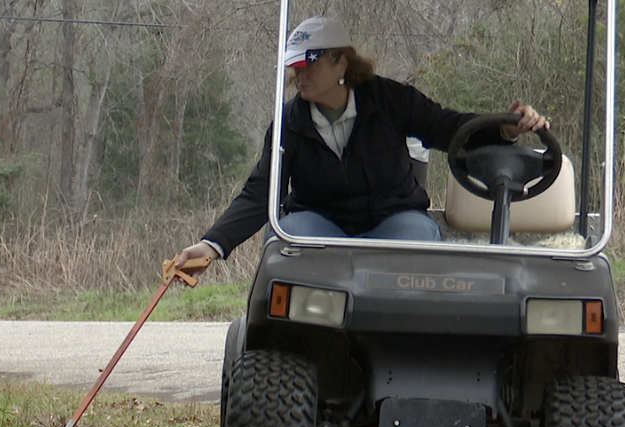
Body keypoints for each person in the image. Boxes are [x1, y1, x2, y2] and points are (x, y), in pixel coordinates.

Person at [176, 16, 549, 274]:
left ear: (341, 64)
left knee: (419, 238)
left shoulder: (390, 100)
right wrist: (212, 245)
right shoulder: (288, 122)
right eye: (295, 67)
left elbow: (447, 128)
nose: (299, 75)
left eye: (309, 65)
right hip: (320, 221)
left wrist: (505, 127)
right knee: (286, 240)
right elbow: (262, 191)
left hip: (393, 219)